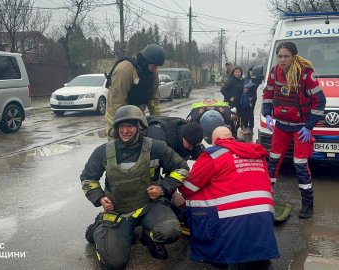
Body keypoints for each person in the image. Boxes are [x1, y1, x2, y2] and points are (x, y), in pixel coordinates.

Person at [81, 105, 189, 269]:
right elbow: (88, 178)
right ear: (116, 128)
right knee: (114, 264)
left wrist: (162, 188)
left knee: (171, 231)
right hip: (119, 211)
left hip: (149, 206)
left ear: (139, 127)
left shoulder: (156, 147)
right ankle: (100, 227)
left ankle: (149, 237)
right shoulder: (103, 151)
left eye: (130, 126)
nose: (125, 130)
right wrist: (100, 198)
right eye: (121, 126)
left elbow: (182, 168)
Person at [178, 126, 280, 268]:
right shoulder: (256, 153)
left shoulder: (213, 154)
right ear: (232, 138)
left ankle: (215, 253)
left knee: (196, 195)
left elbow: (188, 188)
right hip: (264, 216)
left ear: (214, 142)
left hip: (230, 220)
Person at [262, 41, 326, 219]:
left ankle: (307, 204)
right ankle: (266, 199)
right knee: (273, 162)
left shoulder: (306, 74)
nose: (282, 60)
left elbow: (320, 101)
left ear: (294, 57)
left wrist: (309, 126)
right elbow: (267, 95)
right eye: (280, 56)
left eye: (286, 56)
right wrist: (267, 114)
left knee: (300, 165)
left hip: (301, 128)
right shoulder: (274, 72)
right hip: (281, 125)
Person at [105, 44, 165, 135]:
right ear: (146, 61)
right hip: (117, 115)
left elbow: (154, 99)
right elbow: (116, 100)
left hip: (137, 115)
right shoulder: (124, 70)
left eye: (157, 66)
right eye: (153, 65)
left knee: (138, 144)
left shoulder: (152, 73)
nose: (155, 69)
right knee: (117, 145)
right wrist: (120, 124)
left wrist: (157, 122)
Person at [241, 67, 260, 134]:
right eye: (250, 71)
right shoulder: (246, 78)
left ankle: (250, 128)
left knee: (250, 113)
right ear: (248, 71)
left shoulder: (256, 79)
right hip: (244, 98)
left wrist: (247, 89)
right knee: (244, 113)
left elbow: (254, 88)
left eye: (253, 71)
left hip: (251, 98)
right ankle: (245, 126)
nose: (251, 72)